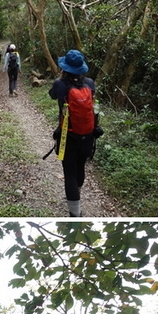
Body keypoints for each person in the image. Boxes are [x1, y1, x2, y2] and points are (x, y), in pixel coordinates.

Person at [49, 48, 99, 218]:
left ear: (65, 68)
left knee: (69, 173)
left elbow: (52, 95)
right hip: (88, 135)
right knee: (80, 167)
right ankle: (75, 195)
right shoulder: (90, 83)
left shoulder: (60, 84)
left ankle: (75, 213)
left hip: (68, 136)